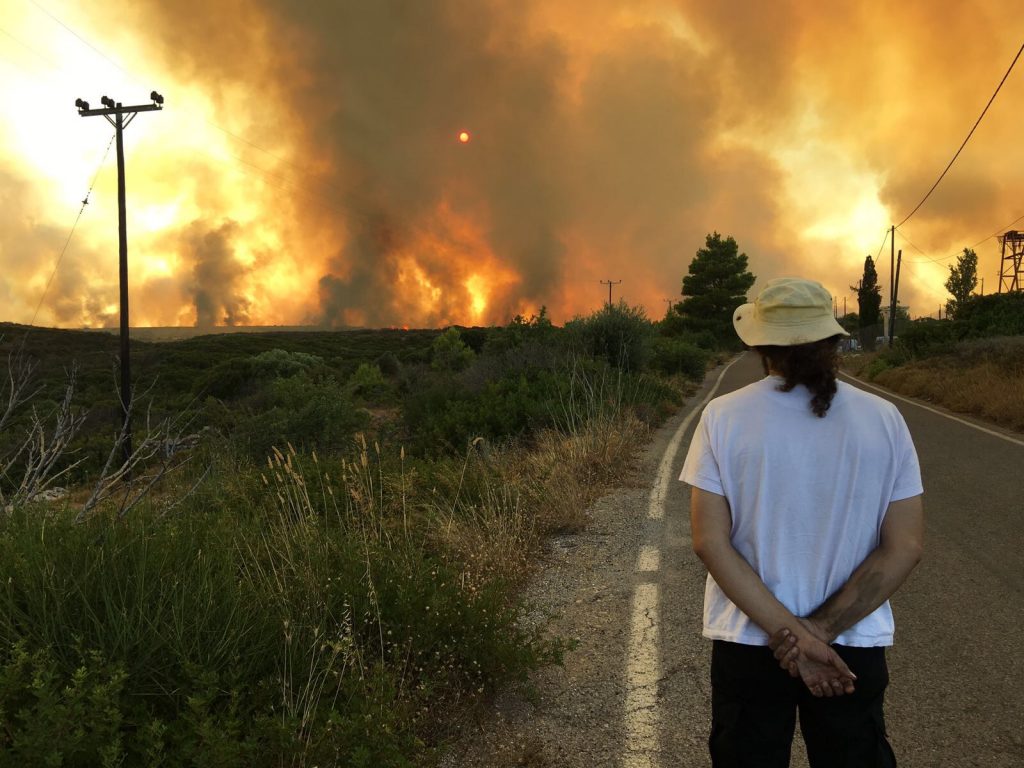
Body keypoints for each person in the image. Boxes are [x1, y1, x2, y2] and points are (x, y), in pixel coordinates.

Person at [679, 277, 924, 767]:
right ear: (833, 341)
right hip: (850, 645)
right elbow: (904, 546)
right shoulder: (885, 419)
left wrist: (794, 639)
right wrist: (819, 634)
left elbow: (710, 541)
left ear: (761, 345)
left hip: (751, 643)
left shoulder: (722, 418)